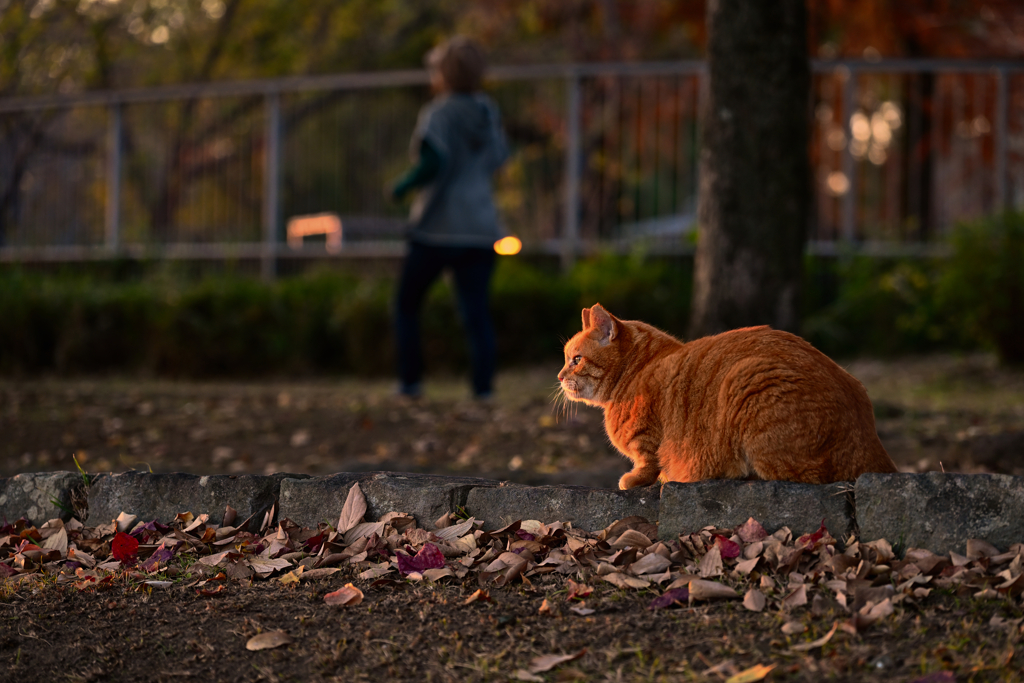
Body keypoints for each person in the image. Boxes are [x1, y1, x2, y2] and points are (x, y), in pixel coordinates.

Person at [390, 36, 509, 400]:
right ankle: (483, 388)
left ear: (441, 74)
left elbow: (433, 162)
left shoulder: (438, 113)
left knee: (406, 304)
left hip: (437, 227)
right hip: (480, 227)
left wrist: (401, 186)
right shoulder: (487, 111)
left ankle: (411, 382)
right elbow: (500, 157)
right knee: (476, 313)